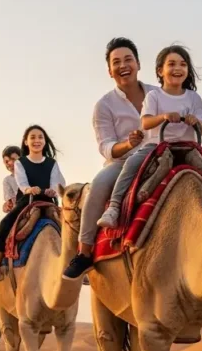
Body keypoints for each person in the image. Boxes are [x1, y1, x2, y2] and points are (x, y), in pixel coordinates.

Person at [62, 37, 153, 280]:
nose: (123, 65)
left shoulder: (157, 93)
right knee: (97, 187)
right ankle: (84, 252)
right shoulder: (104, 105)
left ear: (138, 63)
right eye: (116, 62)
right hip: (123, 161)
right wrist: (127, 144)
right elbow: (106, 146)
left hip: (160, 154)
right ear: (109, 70)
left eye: (128, 59)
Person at [96, 44, 202, 229]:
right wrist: (164, 117)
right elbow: (145, 123)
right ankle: (114, 207)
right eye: (171, 64)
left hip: (188, 147)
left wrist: (194, 121)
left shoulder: (194, 98)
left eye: (182, 64)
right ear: (160, 70)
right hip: (156, 146)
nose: (177, 68)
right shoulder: (154, 96)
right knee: (132, 163)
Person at [0, 125, 65, 285]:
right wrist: (29, 189)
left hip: (47, 201)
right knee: (5, 223)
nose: (36, 140)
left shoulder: (51, 163)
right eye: (32, 137)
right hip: (27, 200)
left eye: (40, 137)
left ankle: (76, 263)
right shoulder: (21, 163)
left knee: (70, 224)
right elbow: (21, 182)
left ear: (45, 141)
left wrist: (53, 190)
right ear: (26, 142)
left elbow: (57, 182)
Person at [1, 146, 20, 213]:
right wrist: (7, 205)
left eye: (13, 159)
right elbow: (9, 201)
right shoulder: (7, 180)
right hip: (19, 208)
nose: (10, 163)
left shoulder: (31, 174)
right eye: (7, 161)